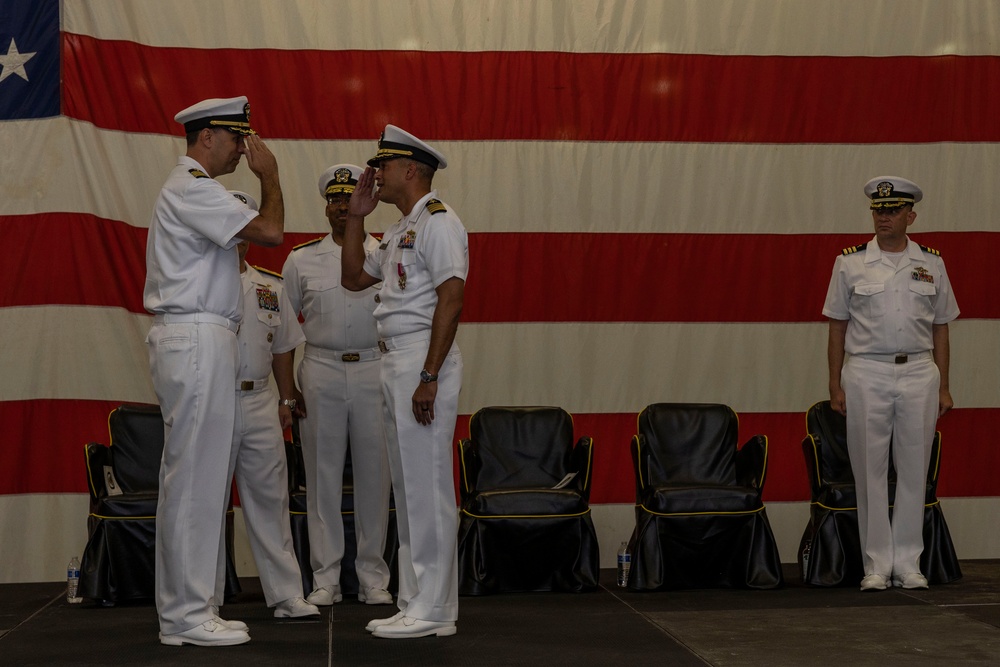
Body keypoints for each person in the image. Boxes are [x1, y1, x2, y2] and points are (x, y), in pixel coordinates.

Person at [144, 96, 284, 647]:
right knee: (195, 479)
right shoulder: (192, 188)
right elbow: (271, 230)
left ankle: (189, 608)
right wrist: (269, 175)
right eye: (235, 139)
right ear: (207, 138)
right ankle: (184, 613)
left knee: (199, 478)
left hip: (205, 335)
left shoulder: (196, 188)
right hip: (196, 333)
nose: (242, 151)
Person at [341, 125, 467, 639]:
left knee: (428, 486)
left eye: (384, 166)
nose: (377, 173)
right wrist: (355, 216)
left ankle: (436, 608)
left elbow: (452, 298)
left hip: (421, 358)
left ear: (410, 170)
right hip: (394, 359)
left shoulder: (439, 221)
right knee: (409, 488)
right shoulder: (398, 229)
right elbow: (352, 276)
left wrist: (429, 376)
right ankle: (417, 599)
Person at [823, 176, 959, 592]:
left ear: (910, 216)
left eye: (893, 210)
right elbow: (836, 328)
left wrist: (944, 386)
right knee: (870, 469)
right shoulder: (850, 262)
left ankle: (909, 562)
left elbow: (941, 328)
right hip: (866, 370)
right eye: (879, 210)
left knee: (915, 469)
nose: (884, 217)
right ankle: (876, 564)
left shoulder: (932, 262)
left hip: (919, 370)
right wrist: (835, 385)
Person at [281, 164, 393, 607]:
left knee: (375, 477)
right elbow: (285, 332)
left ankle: (372, 578)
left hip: (373, 368)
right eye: (335, 199)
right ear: (327, 207)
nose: (343, 206)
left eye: (350, 197)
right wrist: (288, 390)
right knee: (321, 477)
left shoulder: (385, 252)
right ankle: (325, 576)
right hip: (321, 371)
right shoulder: (300, 259)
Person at [208, 190, 319, 620]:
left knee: (271, 500)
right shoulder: (199, 285)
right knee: (208, 503)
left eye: (245, 224)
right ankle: (207, 600)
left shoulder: (268, 286)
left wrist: (287, 397)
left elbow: (284, 347)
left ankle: (286, 594)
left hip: (260, 402)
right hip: (214, 400)